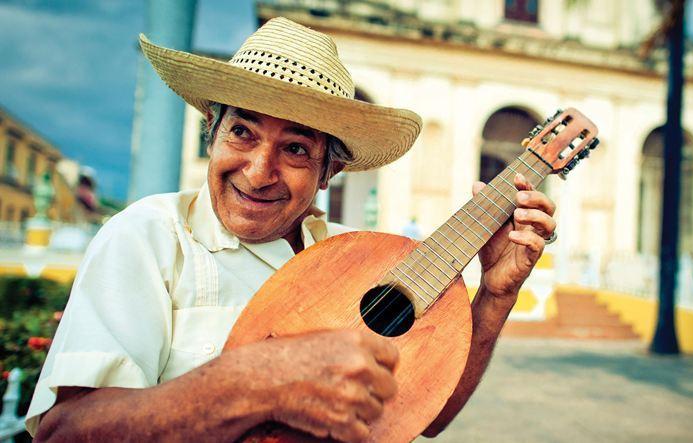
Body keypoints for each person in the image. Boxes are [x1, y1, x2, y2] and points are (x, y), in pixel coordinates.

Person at [27, 17, 557, 442]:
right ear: (211, 133)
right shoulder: (150, 236)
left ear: (330, 172)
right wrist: (256, 378)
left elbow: (425, 416)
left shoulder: (357, 257)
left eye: (297, 149)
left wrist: (495, 297)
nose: (259, 171)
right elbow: (63, 432)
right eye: (242, 132)